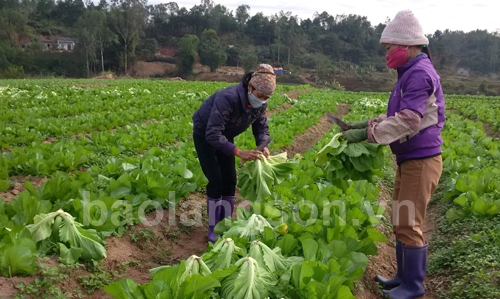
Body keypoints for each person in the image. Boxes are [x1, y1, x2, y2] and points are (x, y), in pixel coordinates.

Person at [341, 10, 445, 299]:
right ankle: (402, 277)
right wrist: (368, 123)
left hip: (421, 160)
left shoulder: (419, 73)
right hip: (409, 157)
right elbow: (399, 115)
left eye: (388, 49)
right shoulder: (409, 72)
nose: (386, 55)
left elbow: (409, 121)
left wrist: (366, 135)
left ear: (407, 45)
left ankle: (414, 286)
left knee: (408, 221)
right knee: (400, 216)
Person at [192, 64, 276, 243]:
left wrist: (263, 144)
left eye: (266, 97)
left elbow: (261, 126)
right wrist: (239, 152)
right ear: (250, 86)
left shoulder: (260, 104)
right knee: (216, 180)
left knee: (230, 180)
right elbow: (212, 134)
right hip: (205, 135)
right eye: (260, 95)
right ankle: (214, 227)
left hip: (226, 135)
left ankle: (226, 223)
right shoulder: (228, 98)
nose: (262, 100)